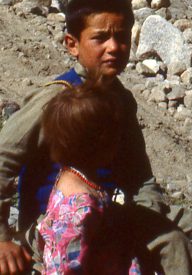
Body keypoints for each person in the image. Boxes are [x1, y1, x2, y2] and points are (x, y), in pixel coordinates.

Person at [0, 0, 192, 275]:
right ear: (72, 44)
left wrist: (148, 212)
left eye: (121, 37)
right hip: (59, 222)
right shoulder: (58, 99)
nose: (113, 47)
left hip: (104, 209)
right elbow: (3, 157)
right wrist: (2, 239)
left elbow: (139, 175)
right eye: (100, 38)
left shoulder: (121, 100)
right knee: (169, 239)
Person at [38, 79, 142, 274]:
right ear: (99, 145)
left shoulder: (72, 175)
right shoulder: (80, 210)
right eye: (114, 136)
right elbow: (65, 265)